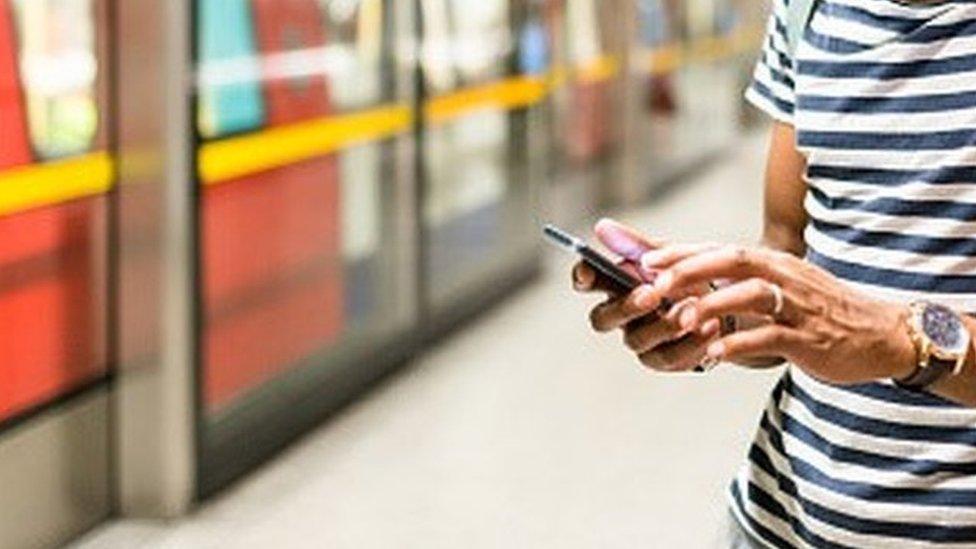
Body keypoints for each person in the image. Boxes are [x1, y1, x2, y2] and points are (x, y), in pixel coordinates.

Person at [572, 0, 976, 547]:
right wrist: (707, 309)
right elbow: (787, 252)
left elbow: (855, 328)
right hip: (778, 517)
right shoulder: (807, 12)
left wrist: (902, 341)